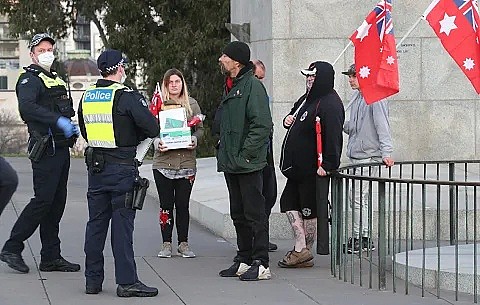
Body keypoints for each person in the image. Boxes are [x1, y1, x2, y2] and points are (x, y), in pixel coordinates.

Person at [78, 49, 159, 297]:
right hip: (123, 168)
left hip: (96, 169)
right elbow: (152, 127)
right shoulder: (126, 96)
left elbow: (84, 131)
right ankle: (126, 282)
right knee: (122, 228)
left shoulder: (87, 96)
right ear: (120, 68)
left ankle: (92, 281)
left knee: (96, 225)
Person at [0, 33, 80, 274]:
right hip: (46, 149)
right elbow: (27, 108)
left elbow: (65, 107)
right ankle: (12, 247)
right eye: (42, 49)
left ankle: (50, 257)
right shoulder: (29, 80)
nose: (47, 53)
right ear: (33, 54)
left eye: (50, 49)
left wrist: (69, 124)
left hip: (61, 148)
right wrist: (57, 120)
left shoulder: (55, 78)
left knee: (56, 204)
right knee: (42, 200)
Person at [278, 61, 344, 268]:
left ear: (322, 79)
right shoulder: (306, 99)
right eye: (307, 76)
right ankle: (302, 249)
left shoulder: (330, 103)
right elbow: (293, 115)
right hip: (296, 171)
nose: (309, 80)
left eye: (313, 77)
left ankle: (303, 251)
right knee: (289, 204)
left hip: (313, 170)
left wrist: (329, 164)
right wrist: (287, 119)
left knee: (309, 212)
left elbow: (334, 137)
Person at [217, 41, 273, 281]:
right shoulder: (232, 85)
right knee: (238, 213)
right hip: (233, 163)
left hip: (247, 163)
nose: (221, 59)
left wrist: (245, 155)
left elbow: (262, 126)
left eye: (225, 56)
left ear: (236, 62)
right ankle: (244, 258)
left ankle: (261, 262)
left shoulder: (252, 86)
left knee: (254, 213)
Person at [342, 63, 394, 254]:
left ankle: (362, 236)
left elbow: (383, 125)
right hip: (358, 153)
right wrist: (339, 122)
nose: (350, 79)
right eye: (349, 76)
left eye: (353, 76)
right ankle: (360, 234)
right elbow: (354, 127)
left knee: (357, 197)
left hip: (368, 156)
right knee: (356, 198)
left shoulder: (375, 97)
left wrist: (386, 152)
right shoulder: (357, 97)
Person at [153, 68, 204, 259]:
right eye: (170, 82)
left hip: (186, 163)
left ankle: (184, 243)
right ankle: (166, 244)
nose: (174, 85)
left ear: (183, 83)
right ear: (166, 84)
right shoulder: (158, 104)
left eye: (178, 81)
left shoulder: (192, 104)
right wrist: (158, 142)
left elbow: (200, 129)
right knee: (166, 205)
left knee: (182, 205)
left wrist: (195, 140)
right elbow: (150, 130)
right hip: (163, 164)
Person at [252, 59, 278, 252]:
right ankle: (255, 239)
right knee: (257, 198)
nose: (260, 82)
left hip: (267, 152)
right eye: (257, 78)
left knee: (270, 195)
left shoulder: (261, 93)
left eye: (262, 78)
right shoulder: (247, 93)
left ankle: (263, 235)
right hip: (255, 155)